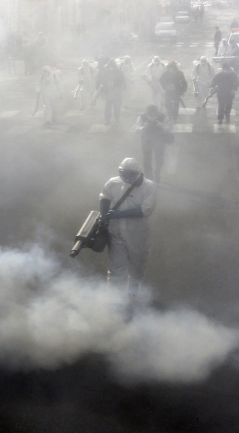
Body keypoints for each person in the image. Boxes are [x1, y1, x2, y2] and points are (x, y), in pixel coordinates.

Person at [99, 157, 157, 297]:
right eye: (123, 174)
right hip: (116, 231)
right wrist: (104, 214)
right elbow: (104, 196)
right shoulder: (113, 183)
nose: (127, 178)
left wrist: (119, 214)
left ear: (138, 173)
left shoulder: (148, 186)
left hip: (137, 233)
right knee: (116, 267)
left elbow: (145, 210)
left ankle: (133, 292)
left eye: (130, 175)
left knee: (137, 262)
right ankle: (114, 298)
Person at [136, 105, 172, 182]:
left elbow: (169, 128)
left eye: (154, 115)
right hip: (146, 141)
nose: (152, 118)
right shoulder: (142, 117)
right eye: (150, 115)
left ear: (157, 113)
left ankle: (157, 172)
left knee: (160, 159)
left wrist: (162, 126)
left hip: (160, 141)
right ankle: (149, 177)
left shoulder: (163, 117)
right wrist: (143, 127)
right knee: (147, 159)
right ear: (147, 113)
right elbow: (136, 129)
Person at [96, 59, 126, 124]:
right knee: (108, 106)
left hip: (116, 92)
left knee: (116, 106)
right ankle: (108, 119)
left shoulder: (118, 72)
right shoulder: (107, 72)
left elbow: (122, 82)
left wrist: (120, 89)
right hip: (108, 91)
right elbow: (102, 82)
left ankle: (116, 117)